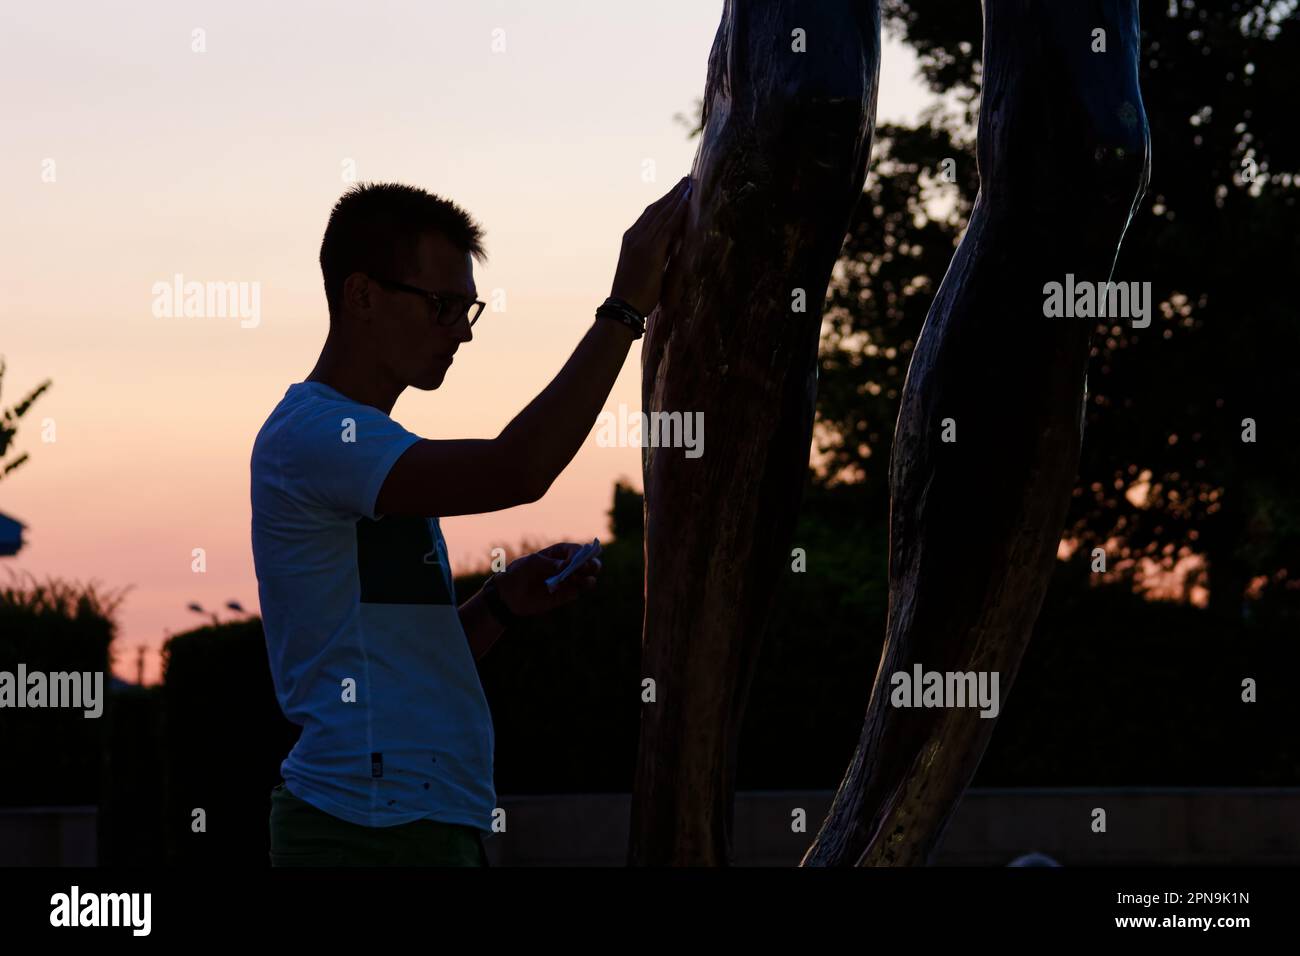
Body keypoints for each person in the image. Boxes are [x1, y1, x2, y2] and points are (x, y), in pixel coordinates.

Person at [251, 176, 691, 865]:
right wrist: (624, 310)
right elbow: (517, 470)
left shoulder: (359, 448)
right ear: (361, 295)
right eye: (443, 306)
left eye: (468, 308)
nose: (461, 331)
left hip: (404, 819)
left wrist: (500, 606)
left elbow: (394, 663)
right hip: (365, 827)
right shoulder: (316, 437)